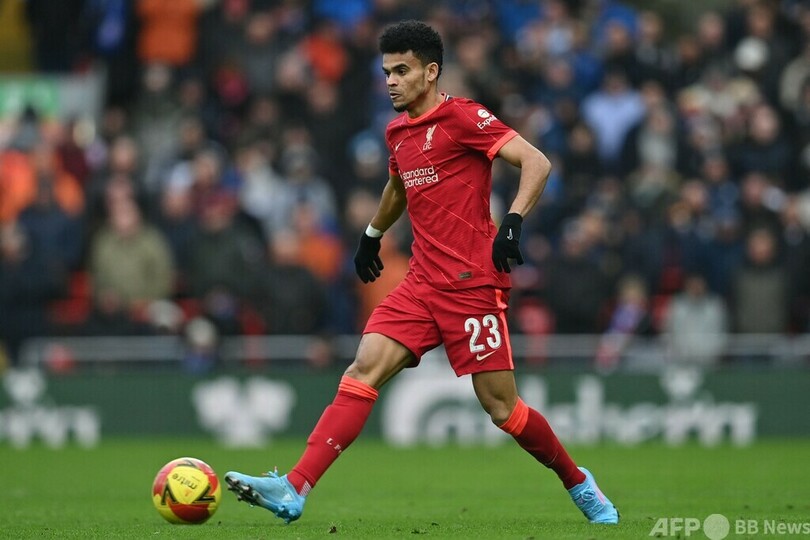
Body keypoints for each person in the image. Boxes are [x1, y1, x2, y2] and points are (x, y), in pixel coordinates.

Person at [224, 20, 619, 526]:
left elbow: (536, 162)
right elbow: (398, 186)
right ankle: (295, 487)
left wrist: (514, 222)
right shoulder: (396, 132)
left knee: (503, 410)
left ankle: (578, 481)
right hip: (420, 284)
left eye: (402, 71)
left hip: (472, 285)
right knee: (362, 370)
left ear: (431, 72)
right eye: (387, 71)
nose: (391, 81)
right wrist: (372, 233)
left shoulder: (463, 117)